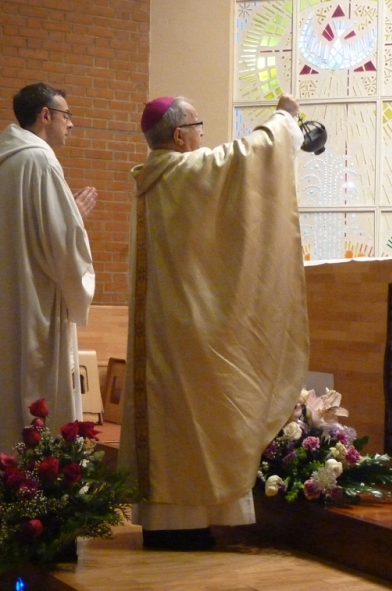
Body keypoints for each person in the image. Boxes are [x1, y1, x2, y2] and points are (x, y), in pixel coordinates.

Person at [119, 94, 309, 550]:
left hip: (169, 326)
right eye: (198, 125)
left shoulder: (154, 179)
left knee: (177, 428)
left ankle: (170, 522)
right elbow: (247, 157)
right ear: (179, 135)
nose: (204, 134)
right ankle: (186, 523)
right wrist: (284, 117)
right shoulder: (183, 171)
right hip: (190, 330)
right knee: (196, 422)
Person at [0, 83, 96, 476]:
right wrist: (74, 217)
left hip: (1, 306)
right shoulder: (39, 162)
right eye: (67, 116)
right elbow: (61, 247)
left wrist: (68, 215)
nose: (71, 125)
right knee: (35, 392)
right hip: (34, 308)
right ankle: (39, 491)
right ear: (46, 115)